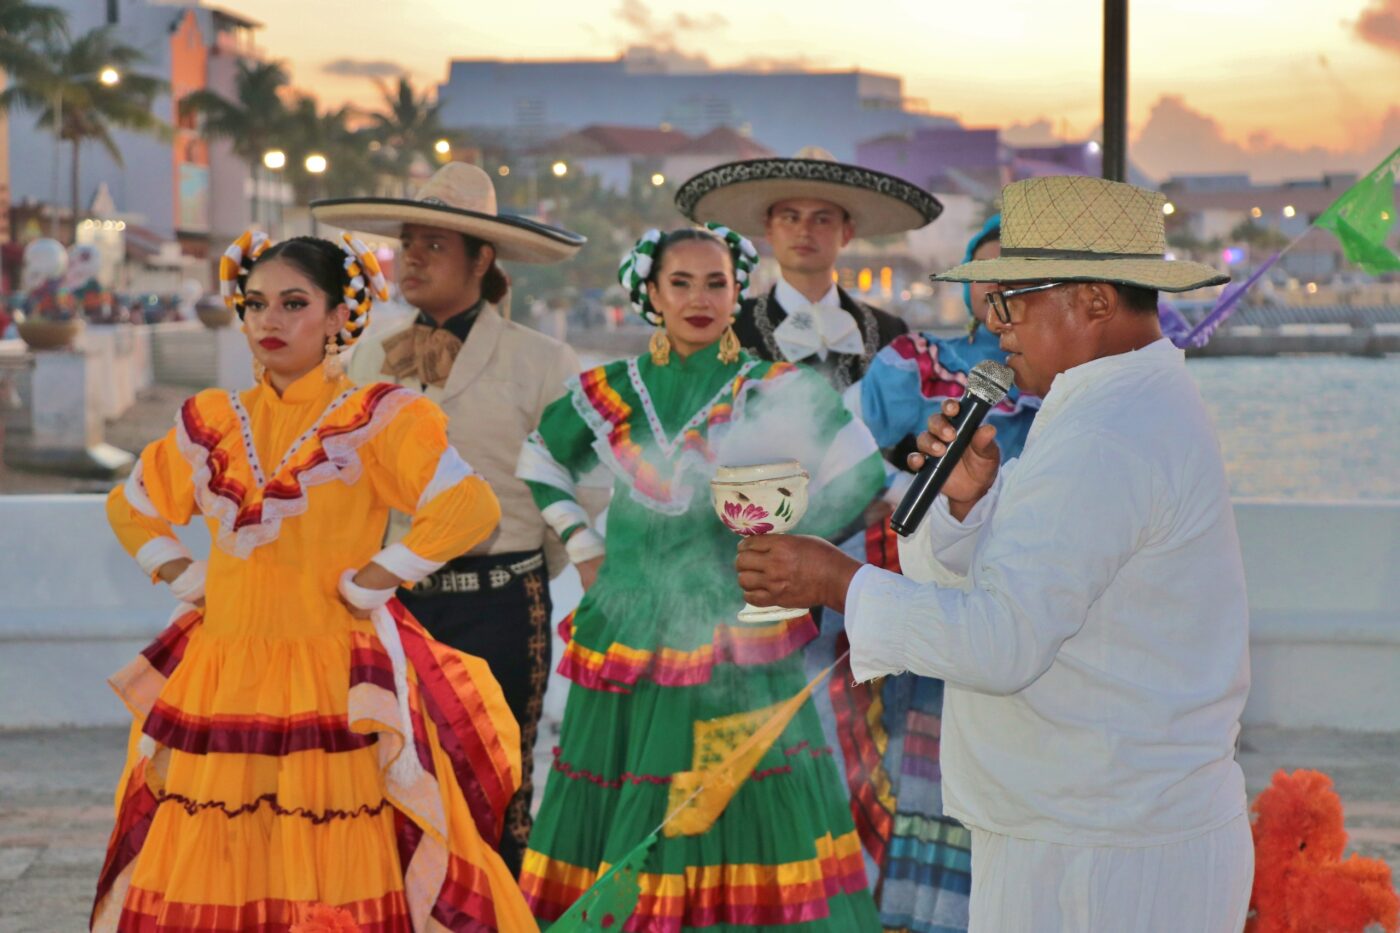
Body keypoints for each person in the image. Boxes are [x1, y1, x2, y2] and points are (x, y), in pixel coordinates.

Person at [734, 176, 1252, 931]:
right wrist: (971, 506)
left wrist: (837, 579)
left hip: (1104, 847)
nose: (995, 321)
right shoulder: (1114, 402)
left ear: (1096, 301)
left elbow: (1003, 642)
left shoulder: (1106, 430)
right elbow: (1046, 588)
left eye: (1013, 299)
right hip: (1092, 818)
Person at [93, 232, 538, 930]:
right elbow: (132, 504)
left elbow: (468, 505)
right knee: (222, 858)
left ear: (339, 316)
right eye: (256, 303)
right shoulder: (208, 419)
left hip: (329, 673)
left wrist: (375, 580)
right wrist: (183, 573)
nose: (269, 320)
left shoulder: (376, 417)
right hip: (224, 670)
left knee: (324, 859)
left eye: (294, 303)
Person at [515, 224, 888, 930]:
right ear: (650, 293)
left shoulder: (771, 385)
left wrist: (792, 546)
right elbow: (539, 458)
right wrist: (584, 548)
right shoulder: (613, 387)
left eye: (715, 282)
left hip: (731, 627)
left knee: (730, 796)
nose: (699, 298)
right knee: (633, 798)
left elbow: (860, 467)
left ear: (737, 290)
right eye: (680, 282)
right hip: (627, 624)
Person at [312, 162, 586, 874]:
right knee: (391, 771)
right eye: (409, 241)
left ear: (481, 258)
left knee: (499, 778)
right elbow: (338, 478)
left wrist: (523, 563)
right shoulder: (368, 356)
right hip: (393, 602)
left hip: (502, 600)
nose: (413, 257)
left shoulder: (543, 360)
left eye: (435, 244)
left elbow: (578, 487)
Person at [825, 214, 1042, 932]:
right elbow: (855, 460)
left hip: (1033, 597)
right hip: (932, 588)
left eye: (1018, 272)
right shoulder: (913, 362)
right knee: (927, 765)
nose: (1000, 288)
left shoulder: (1068, 384)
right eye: (986, 273)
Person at [674, 151, 943, 392]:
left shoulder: (888, 331)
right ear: (769, 228)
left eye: (822, 219)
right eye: (790, 218)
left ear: (846, 232)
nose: (804, 231)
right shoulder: (727, 329)